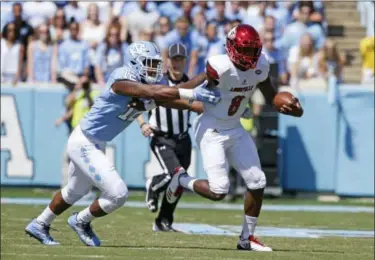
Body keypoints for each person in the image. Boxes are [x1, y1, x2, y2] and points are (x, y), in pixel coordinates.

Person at [24, 40, 220, 246]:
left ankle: (40, 224)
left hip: (94, 142)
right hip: (84, 141)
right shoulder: (121, 78)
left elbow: (174, 98)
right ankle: (81, 221)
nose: (155, 68)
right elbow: (156, 93)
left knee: (75, 191)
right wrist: (194, 90)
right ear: (136, 63)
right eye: (150, 63)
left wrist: (207, 92)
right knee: (118, 194)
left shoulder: (144, 86)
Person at [164, 25, 303, 252]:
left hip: (235, 128)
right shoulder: (219, 66)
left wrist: (287, 105)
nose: (248, 56)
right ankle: (181, 180)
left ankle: (246, 239)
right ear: (231, 48)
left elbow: (270, 96)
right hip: (211, 130)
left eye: (252, 51)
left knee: (258, 182)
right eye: (244, 50)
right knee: (219, 191)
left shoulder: (261, 64)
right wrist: (164, 94)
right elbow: (192, 87)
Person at [137, 43, 195, 231]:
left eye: (180, 59)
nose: (177, 63)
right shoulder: (158, 82)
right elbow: (135, 102)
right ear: (168, 61)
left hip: (183, 139)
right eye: (174, 59)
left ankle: (163, 220)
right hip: (162, 137)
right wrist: (143, 123)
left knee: (179, 183)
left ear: (185, 61)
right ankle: (153, 185)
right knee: (174, 174)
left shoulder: (190, 83)